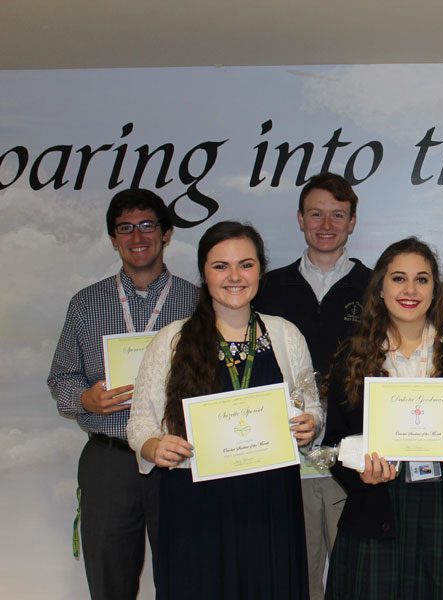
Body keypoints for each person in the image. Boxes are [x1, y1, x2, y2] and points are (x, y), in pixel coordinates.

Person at [126, 221, 323, 600]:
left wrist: (310, 423)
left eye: (246, 265)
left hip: (270, 504)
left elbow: (309, 403)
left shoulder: (285, 334)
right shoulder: (171, 340)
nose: (234, 276)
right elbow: (141, 424)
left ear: (260, 271)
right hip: (196, 505)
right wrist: (154, 447)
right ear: (204, 272)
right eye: (221, 266)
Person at [322, 237, 443, 599]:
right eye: (398, 278)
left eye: (422, 279)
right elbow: (336, 442)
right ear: (381, 288)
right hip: (379, 507)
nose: (410, 289)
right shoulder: (352, 356)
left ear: (435, 289)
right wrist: (359, 471)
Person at [47, 188, 198, 600]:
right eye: (125, 228)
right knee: (110, 582)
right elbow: (61, 377)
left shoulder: (198, 301)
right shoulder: (86, 304)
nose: (137, 237)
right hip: (109, 460)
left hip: (178, 459)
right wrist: (84, 399)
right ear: (114, 239)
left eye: (147, 225)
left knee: (188, 575)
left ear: (167, 233)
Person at [254, 172, 371, 600]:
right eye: (316, 214)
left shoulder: (378, 288)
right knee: (294, 577)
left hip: (352, 463)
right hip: (285, 460)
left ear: (353, 221)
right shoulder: (265, 289)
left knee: (352, 577)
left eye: (338, 215)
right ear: (299, 219)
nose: (327, 224)